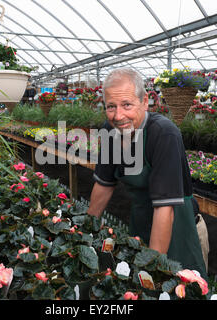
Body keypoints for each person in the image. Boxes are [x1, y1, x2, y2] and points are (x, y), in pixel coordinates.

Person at [86, 68, 208, 279]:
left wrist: (150, 269)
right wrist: (86, 231)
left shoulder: (163, 133)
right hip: (142, 223)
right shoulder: (110, 131)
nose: (118, 115)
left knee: (178, 286)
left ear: (144, 102)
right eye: (111, 107)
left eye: (127, 105)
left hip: (181, 229)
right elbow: (104, 184)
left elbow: (165, 209)